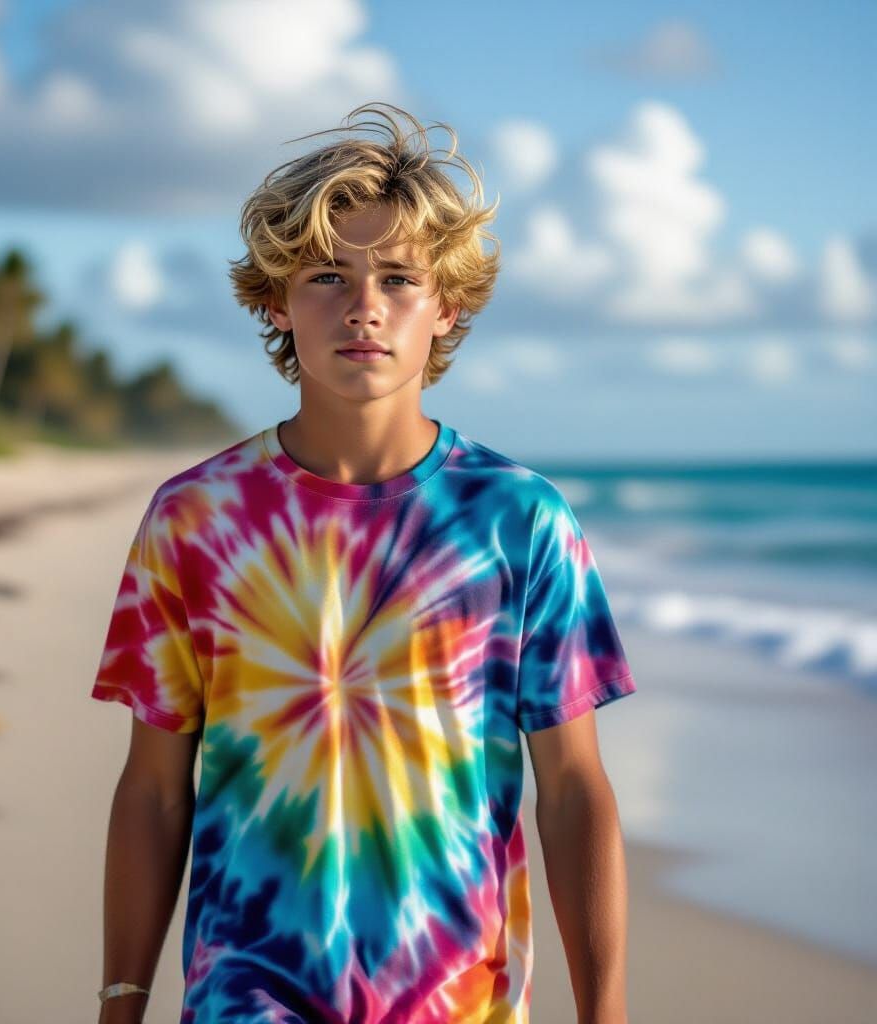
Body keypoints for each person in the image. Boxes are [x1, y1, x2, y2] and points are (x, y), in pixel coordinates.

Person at [91, 102, 637, 1024]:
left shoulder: (520, 521)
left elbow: (574, 788)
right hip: (245, 991)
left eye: (399, 278)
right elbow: (153, 789)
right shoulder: (196, 519)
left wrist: (605, 1013)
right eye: (325, 276)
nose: (364, 306)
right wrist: (120, 1003)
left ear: (447, 304)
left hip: (456, 996)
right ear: (275, 300)